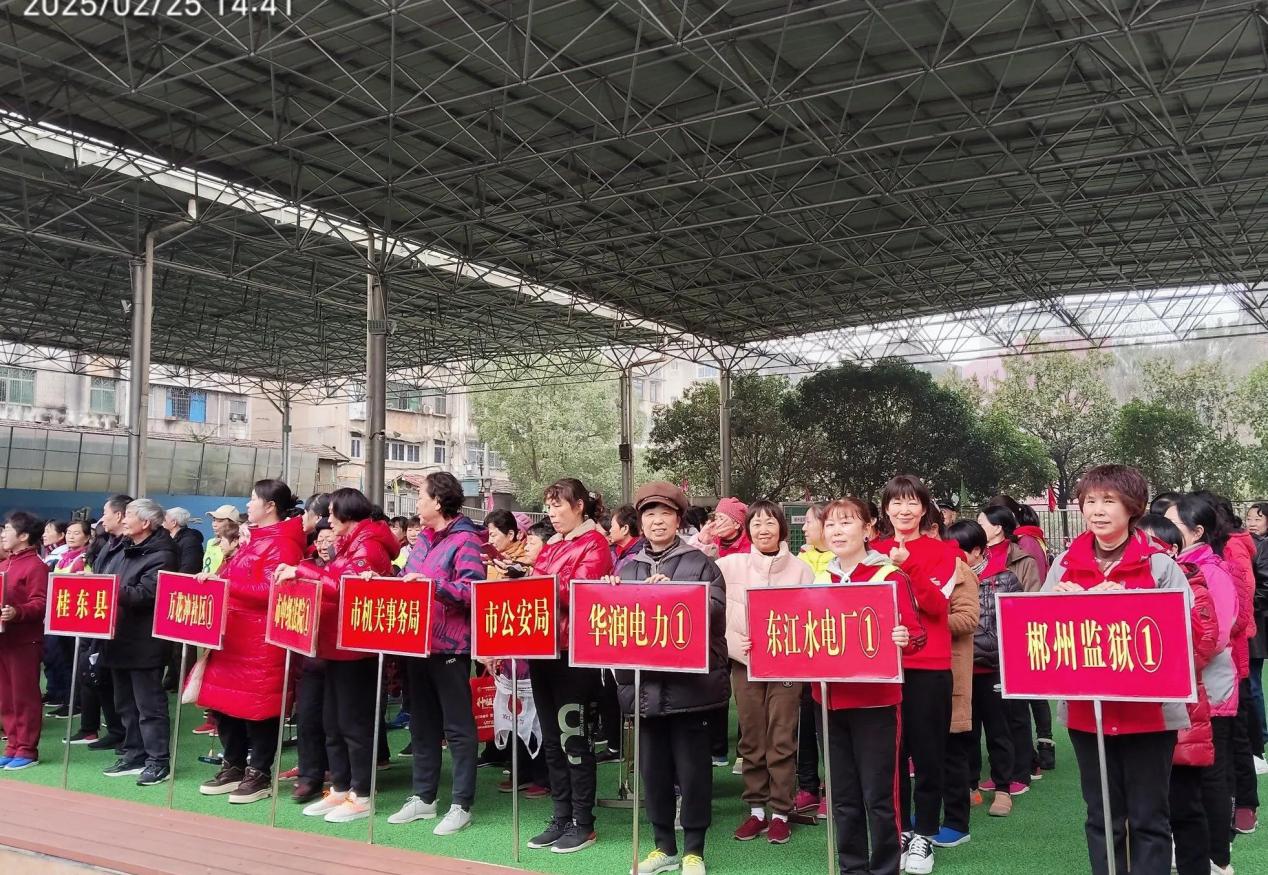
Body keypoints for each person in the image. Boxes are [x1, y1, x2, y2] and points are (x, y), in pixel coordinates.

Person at [1042, 464, 1191, 875]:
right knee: (1102, 816)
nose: (1097, 510)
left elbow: (1186, 635)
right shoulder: (1063, 566)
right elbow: (1038, 639)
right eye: (1090, 501)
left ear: (1133, 507)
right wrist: (1056, 606)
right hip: (1086, 712)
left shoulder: (1160, 565)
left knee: (1148, 817)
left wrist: (1132, 602)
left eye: (1109, 501)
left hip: (1150, 713)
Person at [619, 480, 728, 875]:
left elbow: (715, 611)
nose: (657, 521)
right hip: (644, 690)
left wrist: (678, 593)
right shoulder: (626, 567)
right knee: (654, 773)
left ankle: (694, 850)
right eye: (649, 514)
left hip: (689, 691)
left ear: (678, 519)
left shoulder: (702, 564)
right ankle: (663, 846)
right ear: (641, 522)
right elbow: (614, 622)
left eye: (665, 513)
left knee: (694, 772)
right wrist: (611, 594)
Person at [274, 488, 398, 824]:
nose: (328, 520)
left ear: (347, 514)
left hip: (357, 649)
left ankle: (362, 793)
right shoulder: (348, 543)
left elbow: (345, 587)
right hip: (334, 645)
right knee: (332, 722)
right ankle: (341, 787)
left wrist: (302, 572)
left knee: (354, 724)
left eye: (331, 513)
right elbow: (333, 578)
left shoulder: (369, 546)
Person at [815, 497, 922, 875]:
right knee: (842, 797)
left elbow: (917, 634)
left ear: (867, 529)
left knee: (879, 797)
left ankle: (885, 868)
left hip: (876, 703)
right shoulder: (817, 579)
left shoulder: (890, 576)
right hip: (827, 702)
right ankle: (852, 868)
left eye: (846, 523)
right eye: (830, 524)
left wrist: (903, 637)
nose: (837, 531)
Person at [196, 480, 307, 805]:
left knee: (258, 710)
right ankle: (233, 765)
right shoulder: (253, 539)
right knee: (225, 705)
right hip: (233, 636)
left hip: (260, 641)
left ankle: (258, 772)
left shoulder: (283, 543)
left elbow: (272, 591)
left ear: (270, 506)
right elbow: (233, 576)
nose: (248, 504)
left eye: (253, 499)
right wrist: (215, 580)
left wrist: (226, 586)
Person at [387, 472, 484, 836]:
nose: (417, 504)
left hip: (451, 646)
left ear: (439, 501)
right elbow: (409, 579)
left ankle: (461, 804)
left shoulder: (466, 539)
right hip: (417, 643)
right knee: (422, 723)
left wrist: (436, 586)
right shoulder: (424, 539)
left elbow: (473, 590)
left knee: (457, 727)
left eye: (421, 497)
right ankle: (424, 797)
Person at [870, 474, 957, 875]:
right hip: (884, 668)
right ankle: (901, 830)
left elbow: (937, 606)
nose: (904, 510)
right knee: (891, 756)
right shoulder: (873, 551)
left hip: (929, 666)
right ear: (885, 509)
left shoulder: (945, 552)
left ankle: (925, 833)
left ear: (924, 509)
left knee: (927, 754)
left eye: (912, 503)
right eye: (896, 503)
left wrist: (907, 568)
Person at [717, 500, 814, 845]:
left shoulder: (802, 570)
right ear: (748, 530)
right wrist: (733, 643)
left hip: (786, 666)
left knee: (782, 737)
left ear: (782, 528)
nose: (763, 529)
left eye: (770, 522)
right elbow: (709, 604)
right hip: (744, 665)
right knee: (752, 737)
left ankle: (781, 813)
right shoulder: (729, 565)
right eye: (756, 523)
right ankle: (757, 810)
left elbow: (811, 617)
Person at [526, 478, 613, 854]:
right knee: (551, 740)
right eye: (548, 506)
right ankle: (560, 816)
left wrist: (538, 583)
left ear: (579, 506)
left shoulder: (595, 544)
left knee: (574, 739)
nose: (552, 512)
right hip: (542, 649)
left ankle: (583, 822)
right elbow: (536, 588)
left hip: (573, 653)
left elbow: (581, 590)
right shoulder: (551, 545)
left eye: (558, 505)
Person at [1137, 512, 1219, 875]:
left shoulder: (1193, 587)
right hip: (1138, 717)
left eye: (1148, 545)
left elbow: (1202, 648)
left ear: (1171, 550)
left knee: (1185, 807)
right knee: (1142, 810)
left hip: (1183, 718)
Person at [1164, 494, 1239, 872]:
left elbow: (1217, 635)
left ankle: (1218, 858)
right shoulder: (1178, 565)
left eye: (1173, 525)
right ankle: (1193, 849)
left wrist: (1171, 661)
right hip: (1189, 687)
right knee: (1186, 776)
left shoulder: (1211, 571)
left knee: (1210, 777)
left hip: (1210, 687)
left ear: (1196, 532)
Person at [101, 498, 180, 786]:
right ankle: (134, 753)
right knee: (125, 703)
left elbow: (146, 594)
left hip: (145, 641)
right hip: (119, 636)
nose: (123, 519)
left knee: (149, 705)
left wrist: (106, 588)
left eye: (130, 515)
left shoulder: (163, 555)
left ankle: (158, 761)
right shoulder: (125, 547)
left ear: (145, 523)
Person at [952, 519, 1021, 822]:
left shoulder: (1004, 578)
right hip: (961, 667)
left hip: (993, 668)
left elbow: (1017, 621)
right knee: (965, 730)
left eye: (961, 551)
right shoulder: (950, 579)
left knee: (998, 730)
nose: (955, 558)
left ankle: (1003, 788)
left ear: (978, 550)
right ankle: (970, 785)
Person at [976, 504, 1042, 800]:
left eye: (982, 522)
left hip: (1014, 641)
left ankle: (1021, 772)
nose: (978, 526)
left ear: (998, 527)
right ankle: (1001, 771)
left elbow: (1031, 599)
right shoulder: (980, 555)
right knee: (995, 715)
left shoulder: (1021, 558)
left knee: (1016, 711)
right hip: (986, 646)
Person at [933, 522, 979, 845]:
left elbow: (968, 618)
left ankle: (957, 820)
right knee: (925, 753)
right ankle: (928, 814)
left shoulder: (958, 568)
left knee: (952, 750)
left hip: (951, 672)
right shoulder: (897, 564)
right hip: (915, 674)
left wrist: (923, 622)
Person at [0, 511, 50, 770]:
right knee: (5, 697)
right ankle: (12, 745)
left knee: (24, 696)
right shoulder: (5, 565)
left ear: (23, 536)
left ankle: (27, 750)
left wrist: (17, 612)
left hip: (24, 641)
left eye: (7, 530)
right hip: (4, 640)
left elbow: (41, 604)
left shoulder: (36, 566)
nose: (3, 534)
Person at [1249, 502, 1268, 765]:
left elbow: (1264, 586)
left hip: (1258, 621)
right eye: (1250, 518)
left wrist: (1247, 603)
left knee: (1252, 682)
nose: (1252, 522)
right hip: (1255, 618)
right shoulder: (1252, 543)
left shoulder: (1262, 547)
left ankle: (1260, 735)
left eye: (1258, 518)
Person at [163, 508, 205, 575]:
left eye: (164, 520)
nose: (161, 523)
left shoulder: (190, 542)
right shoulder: (167, 539)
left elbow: (189, 569)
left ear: (174, 523)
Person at [798, 502, 833, 582]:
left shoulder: (843, 560)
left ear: (826, 524)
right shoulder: (803, 555)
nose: (803, 528)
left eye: (808, 522)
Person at [203, 505, 240, 576]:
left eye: (220, 521)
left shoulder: (238, 547)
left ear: (232, 524)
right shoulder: (210, 542)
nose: (214, 524)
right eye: (214, 520)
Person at [608, 504, 644, 571]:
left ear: (625, 529)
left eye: (612, 526)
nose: (610, 530)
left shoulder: (641, 555)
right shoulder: (611, 552)